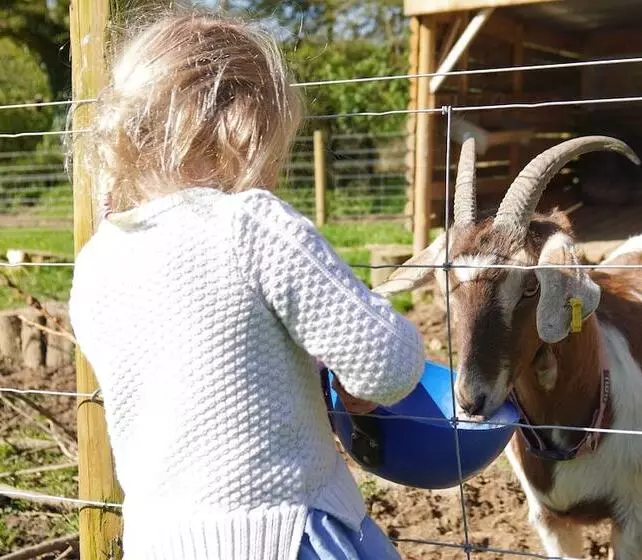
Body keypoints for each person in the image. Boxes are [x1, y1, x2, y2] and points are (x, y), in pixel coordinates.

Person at [68, 10, 425, 560]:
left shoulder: (96, 262)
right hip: (287, 533)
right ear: (244, 126)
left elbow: (195, 365)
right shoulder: (251, 225)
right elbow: (387, 365)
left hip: (159, 542)